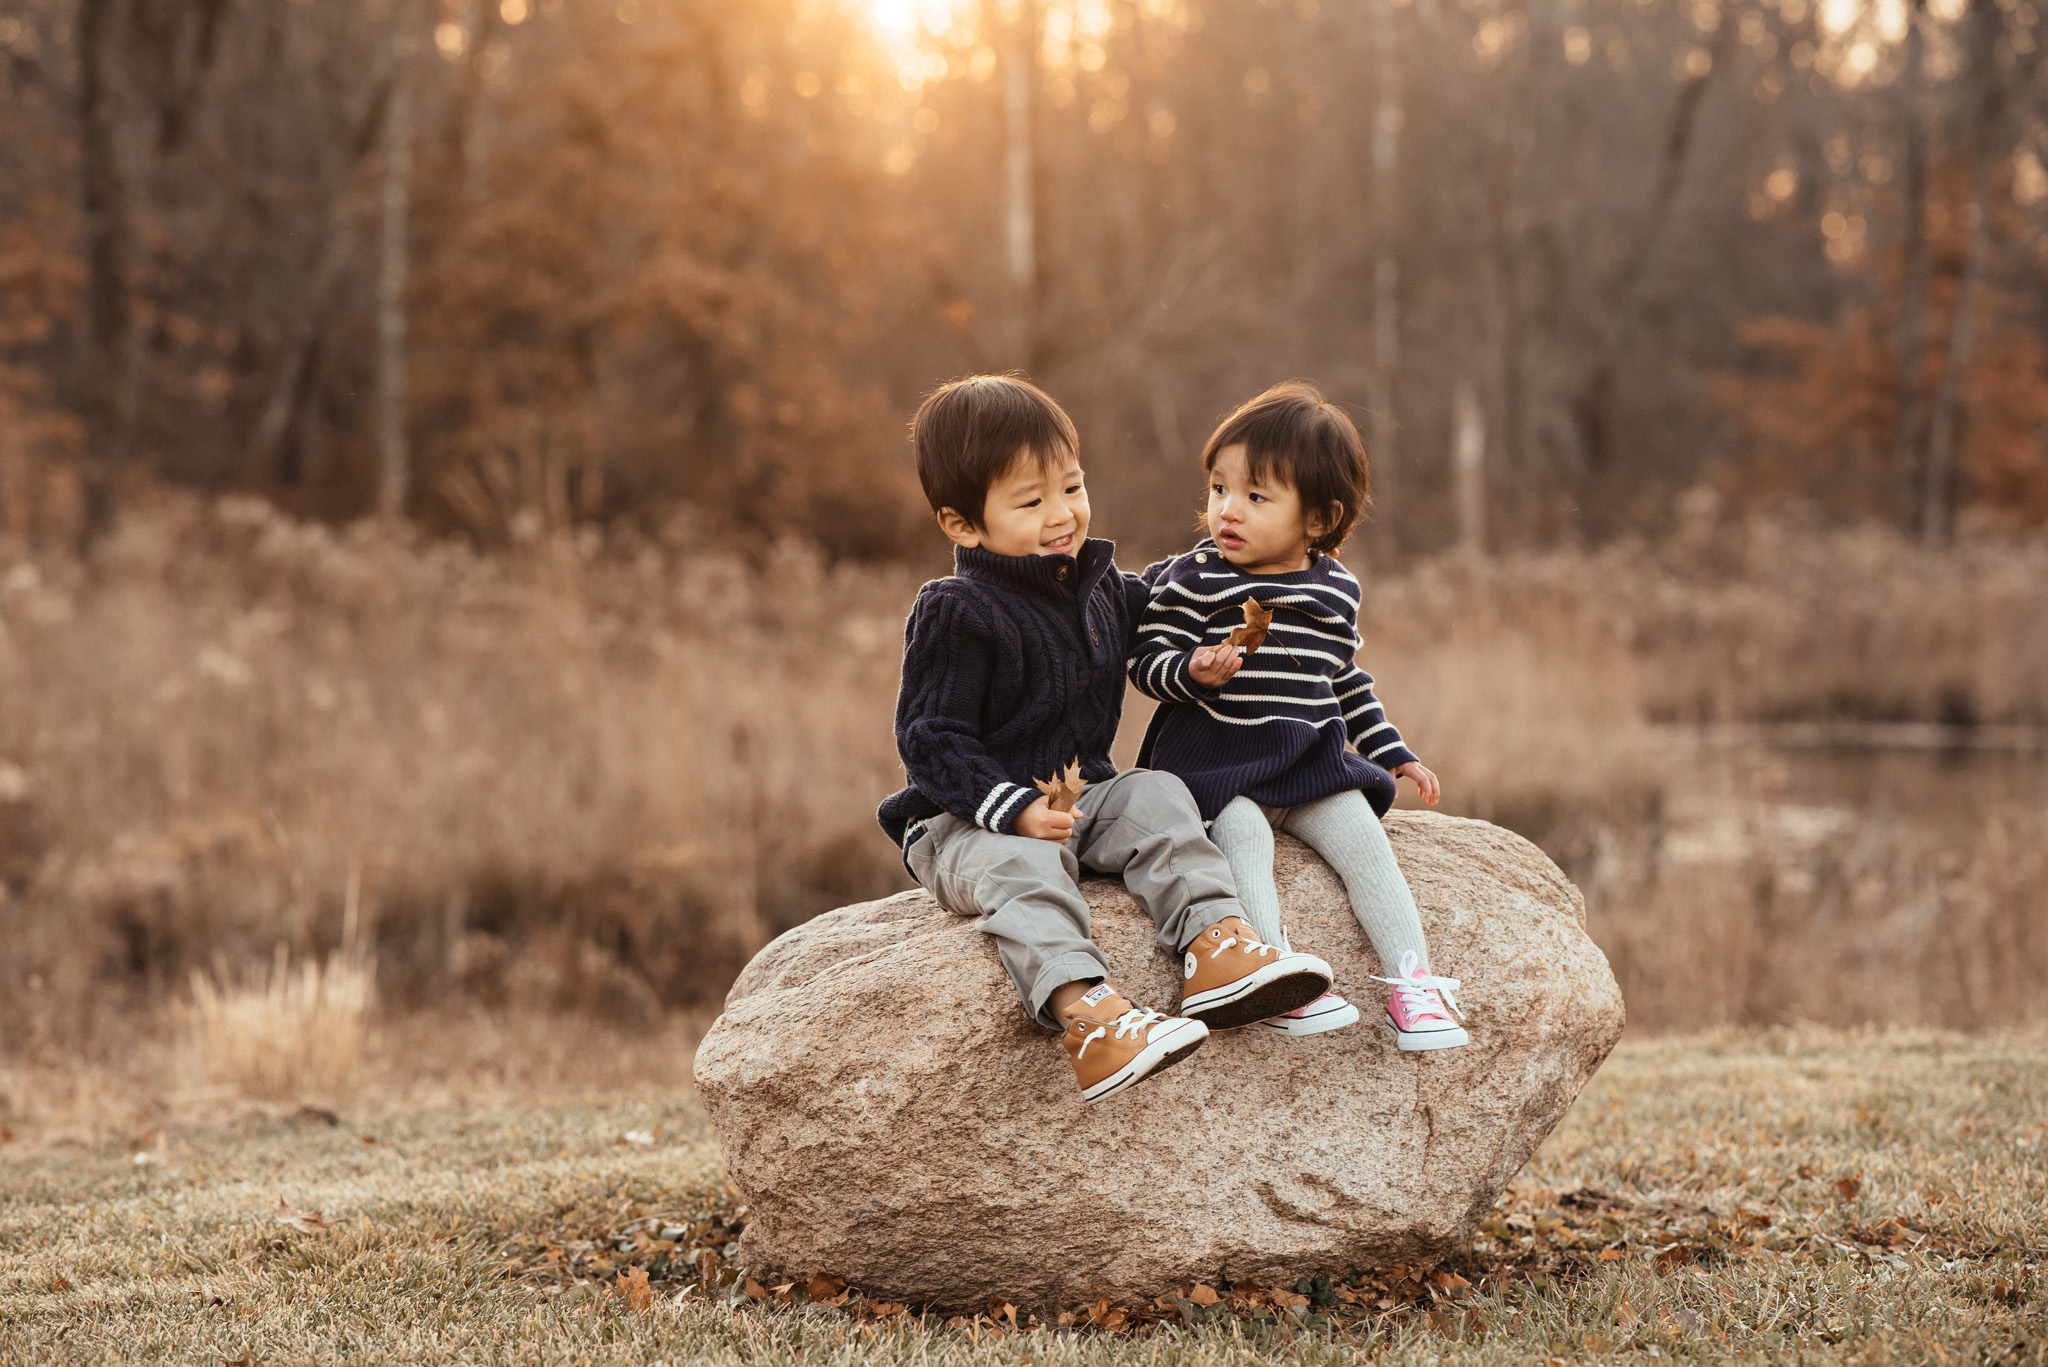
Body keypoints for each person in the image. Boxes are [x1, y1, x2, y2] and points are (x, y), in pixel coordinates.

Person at [878, 374, 1333, 1102]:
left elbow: (1173, 620)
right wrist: (1010, 805)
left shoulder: (1103, 590)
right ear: (962, 523)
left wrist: (1199, 657)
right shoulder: (956, 610)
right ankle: (1089, 1016)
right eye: (1030, 501)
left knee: (1156, 793)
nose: (1062, 515)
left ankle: (1214, 945)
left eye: (1072, 486)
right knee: (1026, 866)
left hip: (1081, 792)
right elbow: (928, 738)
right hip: (967, 821)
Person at [1128, 380, 1470, 1051]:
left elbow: (1343, 679)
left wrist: (1392, 751)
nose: (1228, 510)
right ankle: (1273, 975)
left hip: (1305, 762)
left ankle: (1414, 985)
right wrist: (1189, 670)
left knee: (1366, 842)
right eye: (1219, 488)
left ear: (1317, 520)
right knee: (1243, 838)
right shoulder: (1196, 578)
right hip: (1216, 767)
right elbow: (1144, 657)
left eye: (1256, 496)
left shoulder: (1334, 588)